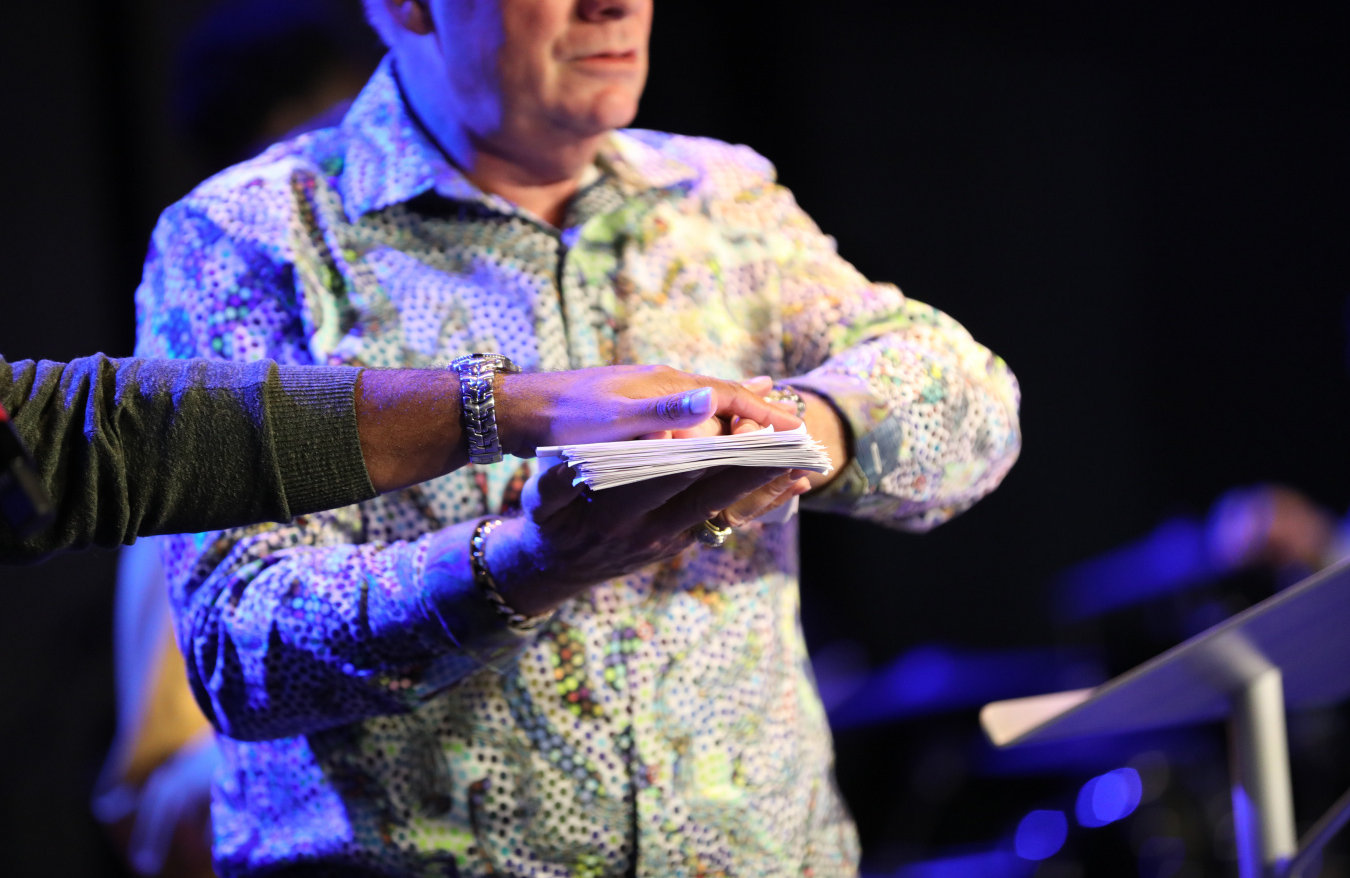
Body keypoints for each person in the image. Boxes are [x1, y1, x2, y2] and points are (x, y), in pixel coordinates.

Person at [136, 0, 1023, 874]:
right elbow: (234, 646)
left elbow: (975, 405)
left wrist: (786, 432)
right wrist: (522, 565)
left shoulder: (717, 195)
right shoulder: (251, 236)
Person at [0, 354, 795, 562]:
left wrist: (786, 428)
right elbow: (67, 448)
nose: (614, 1)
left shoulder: (733, 185)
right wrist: (528, 567)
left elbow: (878, 392)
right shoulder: (238, 224)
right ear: (409, 2)